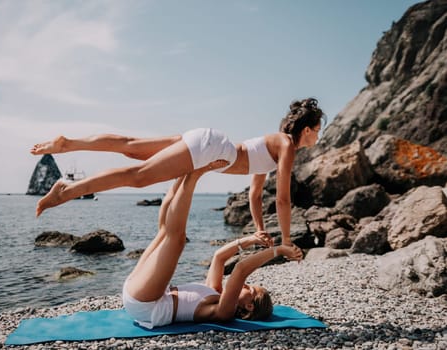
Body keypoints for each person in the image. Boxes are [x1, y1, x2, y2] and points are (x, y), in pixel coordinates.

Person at [31, 98, 325, 246]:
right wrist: (287, 243)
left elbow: (256, 192)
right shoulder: (286, 145)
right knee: (139, 176)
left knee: (131, 146)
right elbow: (283, 200)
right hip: (211, 150)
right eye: (317, 132)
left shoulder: (274, 143)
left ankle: (68, 144)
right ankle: (66, 191)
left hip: (209, 140)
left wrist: (260, 227)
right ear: (308, 130)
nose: (317, 138)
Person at [122, 160, 303, 328]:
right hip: (142, 292)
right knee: (164, 232)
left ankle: (193, 175)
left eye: (251, 289)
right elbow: (219, 258)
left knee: (176, 240)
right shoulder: (215, 293)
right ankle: (183, 175)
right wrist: (251, 239)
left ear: (249, 306)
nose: (247, 285)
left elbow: (240, 270)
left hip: (146, 306)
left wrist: (277, 250)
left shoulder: (224, 311)